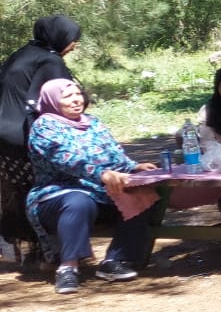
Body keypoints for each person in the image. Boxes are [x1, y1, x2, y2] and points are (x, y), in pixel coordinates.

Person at [26, 79, 158, 294]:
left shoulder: (93, 122)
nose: (76, 100)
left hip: (100, 192)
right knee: (79, 201)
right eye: (68, 96)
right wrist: (101, 174)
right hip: (56, 195)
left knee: (141, 194)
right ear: (52, 100)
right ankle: (68, 268)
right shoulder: (44, 127)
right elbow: (67, 160)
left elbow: (115, 154)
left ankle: (116, 260)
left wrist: (134, 167)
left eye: (78, 94)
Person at [0, 15, 80, 263]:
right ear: (59, 37)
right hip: (24, 136)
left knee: (17, 192)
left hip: (4, 135)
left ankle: (23, 249)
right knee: (49, 190)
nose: (74, 45)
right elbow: (54, 101)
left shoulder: (21, 54)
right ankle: (53, 251)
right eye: (73, 39)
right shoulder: (50, 60)